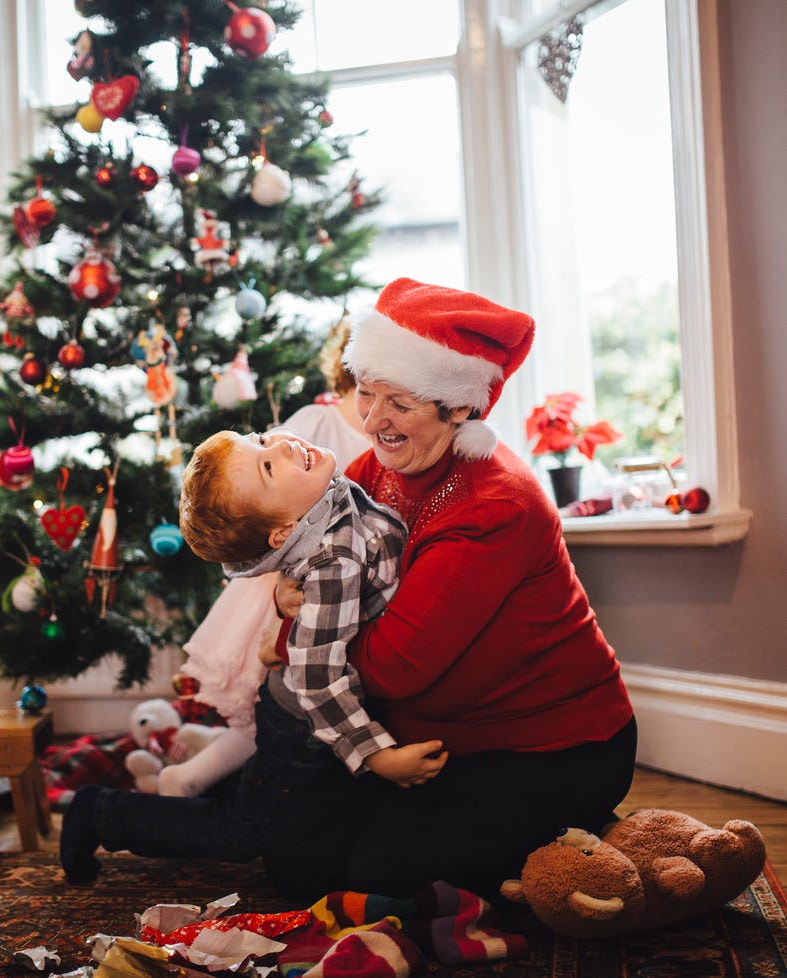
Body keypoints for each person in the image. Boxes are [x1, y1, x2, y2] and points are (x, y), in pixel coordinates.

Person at [257, 277, 636, 901]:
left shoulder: (495, 503)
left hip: (553, 745)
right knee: (293, 858)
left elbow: (396, 667)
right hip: (431, 741)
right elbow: (308, 575)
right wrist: (288, 601)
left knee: (381, 875)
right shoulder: (373, 468)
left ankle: (582, 843)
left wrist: (304, 628)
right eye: (367, 393)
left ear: (458, 406)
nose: (373, 419)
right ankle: (529, 848)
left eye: (398, 402)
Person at [59, 424, 445, 885]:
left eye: (261, 440)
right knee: (243, 832)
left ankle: (216, 779)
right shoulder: (331, 565)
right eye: (267, 464)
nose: (282, 444)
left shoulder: (322, 494)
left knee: (276, 804)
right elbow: (316, 680)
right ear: (283, 530)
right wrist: (376, 756)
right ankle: (101, 812)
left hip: (316, 717)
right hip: (301, 726)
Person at [158, 319, 373, 797]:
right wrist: (278, 594)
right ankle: (197, 777)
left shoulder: (394, 442)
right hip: (286, 584)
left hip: (344, 585)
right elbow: (255, 500)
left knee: (281, 706)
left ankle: (210, 759)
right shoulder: (317, 427)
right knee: (270, 698)